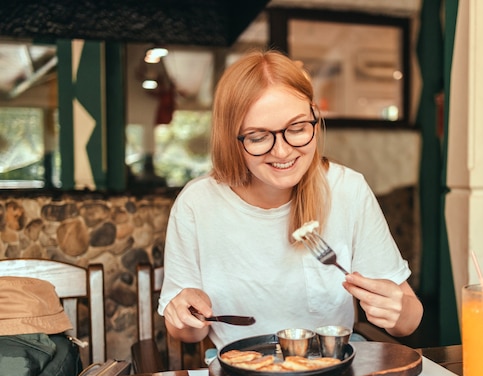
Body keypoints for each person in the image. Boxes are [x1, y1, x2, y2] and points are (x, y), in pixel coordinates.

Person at [157, 49, 423, 350]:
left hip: (331, 367)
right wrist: (187, 317)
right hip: (242, 373)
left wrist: (396, 310)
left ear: (314, 117)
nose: (282, 152)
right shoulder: (197, 204)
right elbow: (186, 333)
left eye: (297, 129)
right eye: (258, 137)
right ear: (230, 138)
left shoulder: (347, 189)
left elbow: (409, 319)